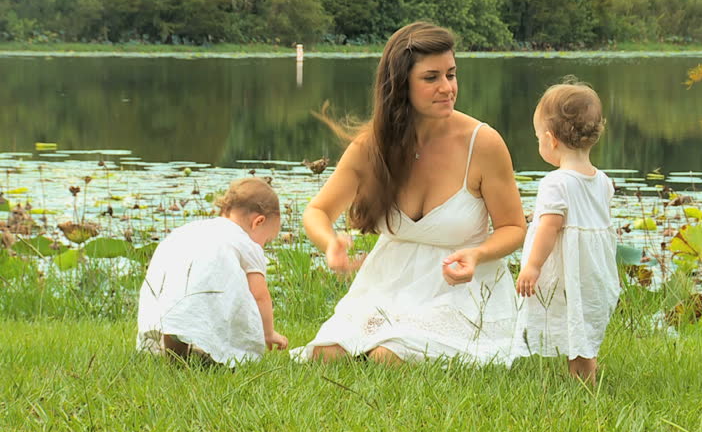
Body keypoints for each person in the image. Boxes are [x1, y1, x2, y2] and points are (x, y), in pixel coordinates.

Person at [291, 22, 526, 365]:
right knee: (327, 354)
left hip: (460, 291)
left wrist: (476, 255)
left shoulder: (483, 143)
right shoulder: (372, 146)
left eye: (451, 74)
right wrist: (330, 243)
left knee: (389, 356)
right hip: (389, 284)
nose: (447, 87)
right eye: (431, 78)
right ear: (400, 85)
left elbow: (514, 228)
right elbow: (317, 212)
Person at [512, 79, 620, 383]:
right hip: (595, 270)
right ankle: (587, 375)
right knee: (583, 323)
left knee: (572, 319)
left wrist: (532, 266)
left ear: (551, 139)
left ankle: (583, 386)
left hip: (569, 270)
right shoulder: (603, 181)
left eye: (537, 138)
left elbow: (550, 226)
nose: (539, 143)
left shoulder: (555, 182)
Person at [137, 177, 288, 367]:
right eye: (266, 240)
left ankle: (175, 354)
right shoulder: (246, 243)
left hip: (170, 289)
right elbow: (260, 296)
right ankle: (215, 353)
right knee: (216, 307)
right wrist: (268, 333)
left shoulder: (193, 230)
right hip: (205, 290)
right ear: (258, 222)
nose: (263, 246)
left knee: (178, 313)